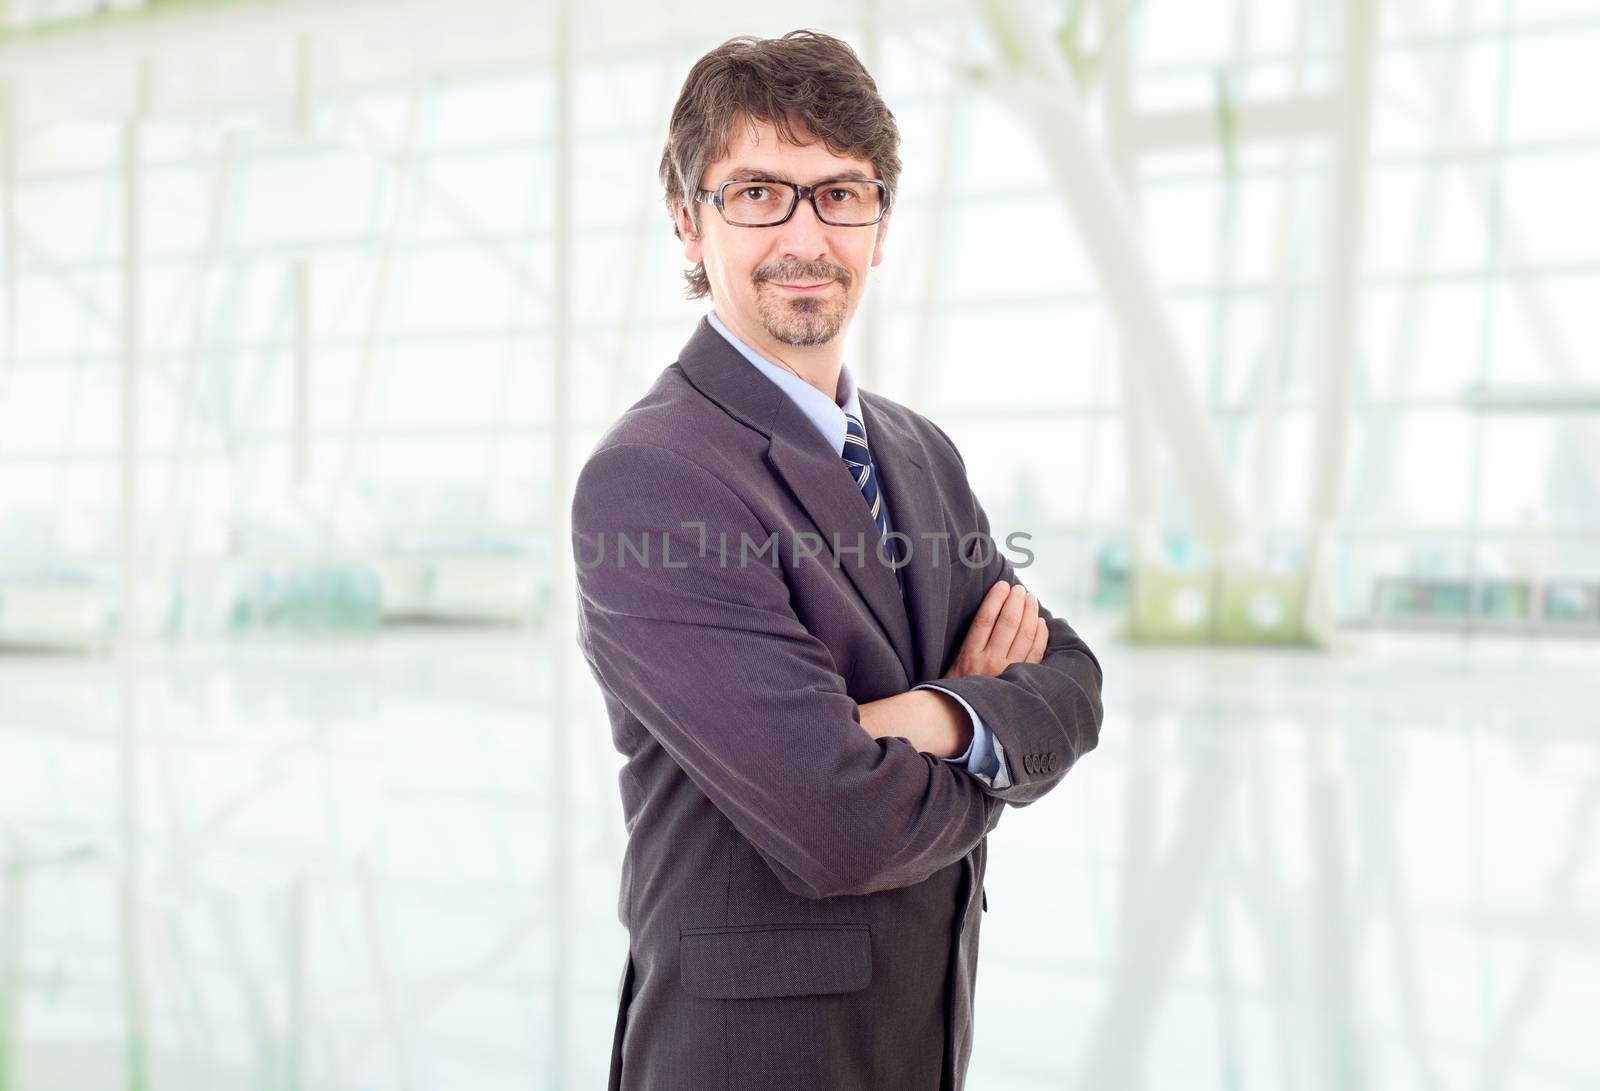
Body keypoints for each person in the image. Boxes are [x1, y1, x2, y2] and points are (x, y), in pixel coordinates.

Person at [570, 29, 1104, 1091]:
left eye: (840, 194)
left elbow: (1075, 682)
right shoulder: (655, 477)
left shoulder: (917, 450)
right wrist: (988, 712)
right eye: (760, 193)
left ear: (881, 223)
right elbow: (836, 825)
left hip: (919, 1035)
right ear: (688, 221)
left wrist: (932, 716)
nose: (805, 235)